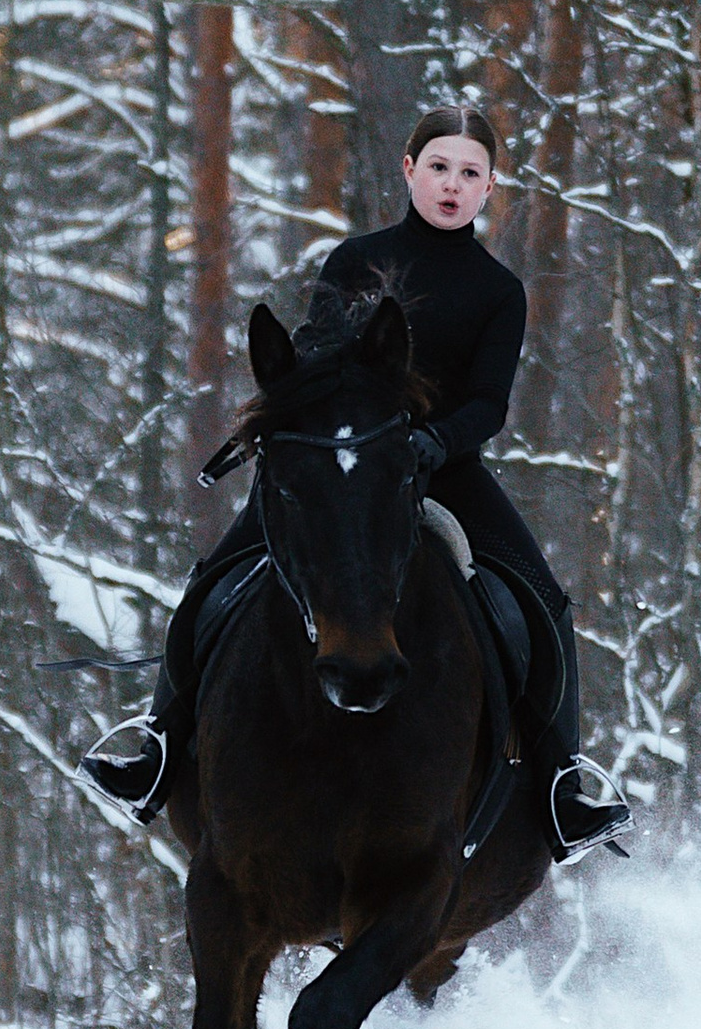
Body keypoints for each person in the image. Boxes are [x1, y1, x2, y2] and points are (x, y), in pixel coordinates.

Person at [81, 103, 627, 858]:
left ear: (491, 186)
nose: (452, 185)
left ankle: (562, 786)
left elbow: (489, 405)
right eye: (439, 167)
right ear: (409, 171)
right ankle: (159, 750)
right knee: (214, 580)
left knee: (544, 603)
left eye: (470, 173)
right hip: (344, 469)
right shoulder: (353, 261)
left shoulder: (499, 291)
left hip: (445, 471)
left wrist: (434, 442)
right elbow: (317, 356)